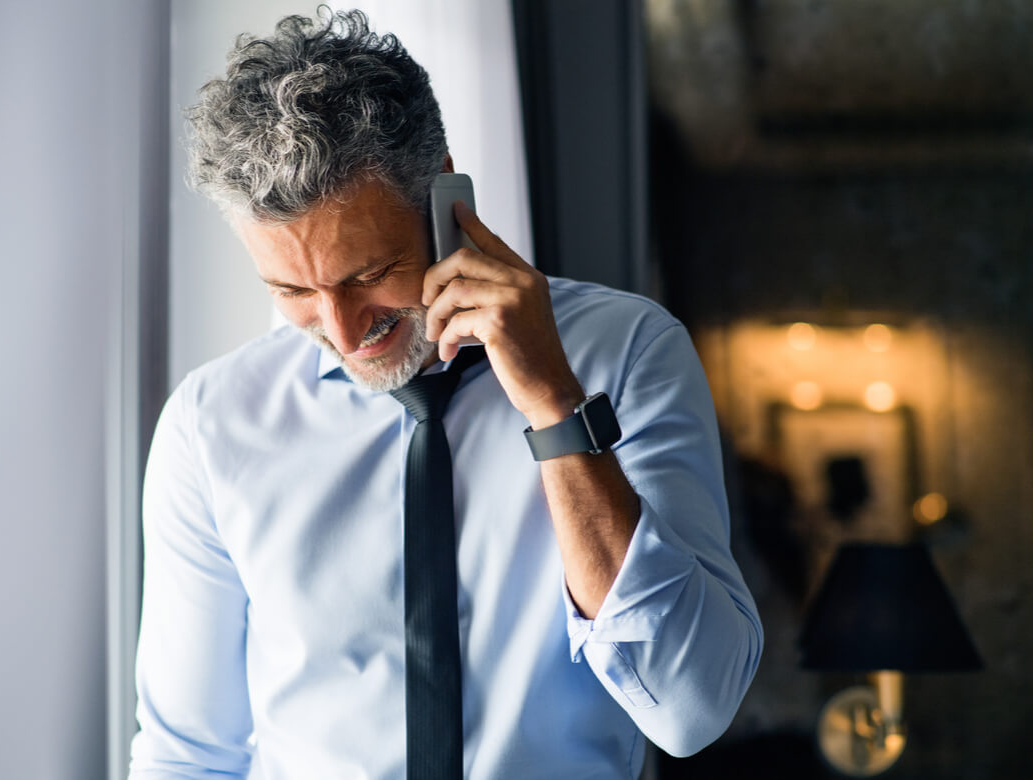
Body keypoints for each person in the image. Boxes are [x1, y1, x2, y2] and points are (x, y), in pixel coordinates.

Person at [129, 9, 761, 779]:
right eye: (292, 288)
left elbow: (691, 710)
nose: (341, 326)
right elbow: (187, 754)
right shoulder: (213, 424)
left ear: (445, 194)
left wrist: (554, 408)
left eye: (366, 275)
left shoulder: (627, 353)